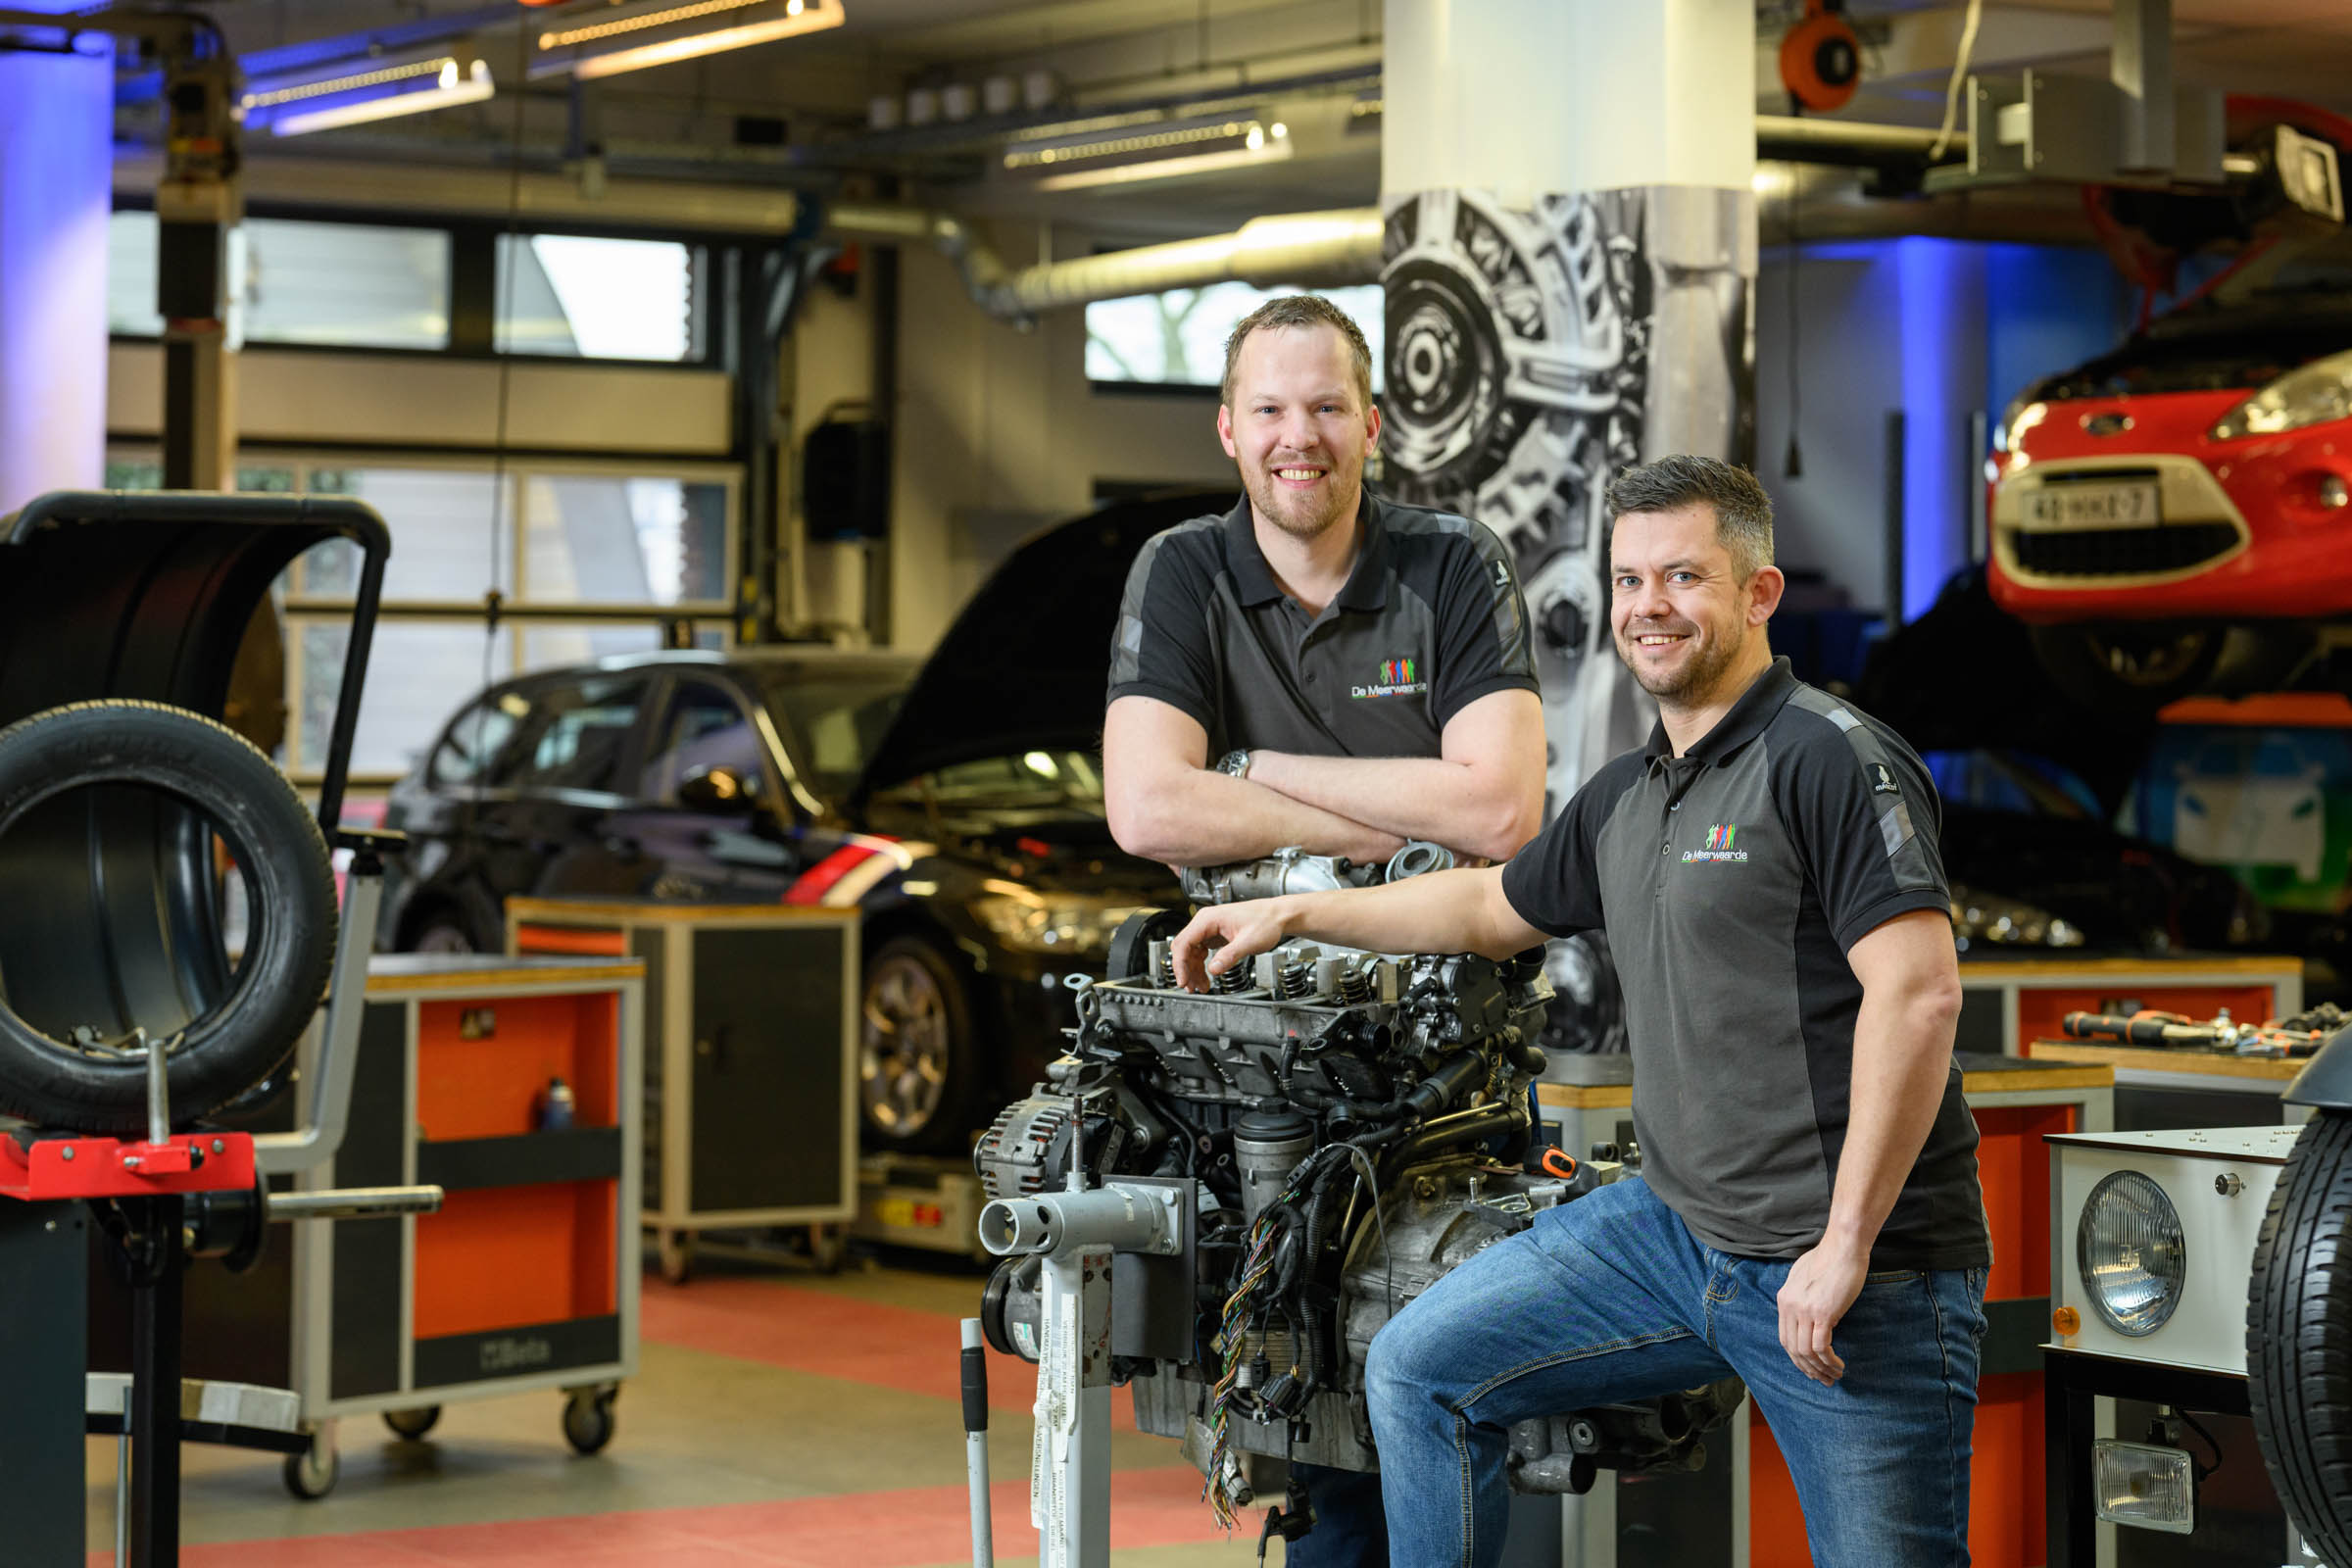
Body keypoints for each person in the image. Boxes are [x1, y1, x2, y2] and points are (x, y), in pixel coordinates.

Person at [1167, 454, 1990, 1568]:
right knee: (1417, 1369)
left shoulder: (1829, 759)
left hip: (1855, 1275)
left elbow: (1920, 992)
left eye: (1684, 577)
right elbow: (1484, 907)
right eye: (1629, 580)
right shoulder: (1630, 794)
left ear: (1759, 593)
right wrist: (1295, 914)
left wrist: (1844, 1246)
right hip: (1676, 1237)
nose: (1650, 606)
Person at [1102, 292, 1546, 1563]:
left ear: (1373, 424)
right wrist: (1391, 811)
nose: (1300, 436)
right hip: (1254, 1069)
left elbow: (1503, 809)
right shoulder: (1184, 571)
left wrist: (1251, 772)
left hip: (1441, 1070)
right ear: (1228, 430)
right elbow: (1145, 806)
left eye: (1327, 407)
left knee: (1443, 1404)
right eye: (1271, 410)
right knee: (1313, 1431)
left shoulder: (1451, 565)